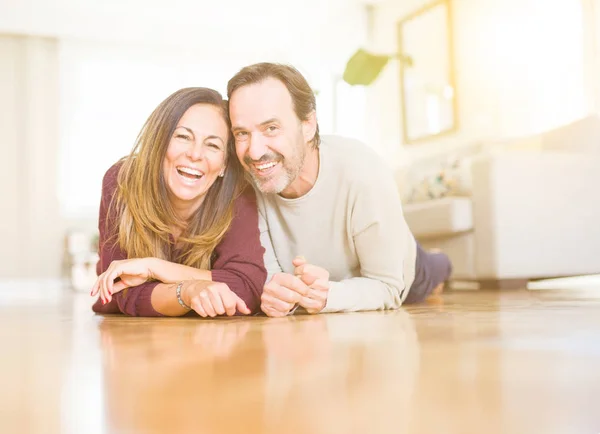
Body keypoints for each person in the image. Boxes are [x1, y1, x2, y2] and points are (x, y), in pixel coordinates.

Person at [226, 63, 452, 317]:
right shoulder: (246, 183)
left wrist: (329, 296)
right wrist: (278, 295)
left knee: (433, 271)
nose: (254, 152)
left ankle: (440, 261)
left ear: (308, 124)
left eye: (271, 128)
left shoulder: (363, 171)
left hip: (396, 269)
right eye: (242, 133)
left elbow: (388, 286)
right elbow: (271, 280)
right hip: (322, 286)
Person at [89, 87, 267, 317]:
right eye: (183, 137)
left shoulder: (237, 194)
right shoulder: (122, 182)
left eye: (212, 145)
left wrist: (152, 267)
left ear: (224, 164)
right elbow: (121, 290)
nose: (195, 154)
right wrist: (187, 292)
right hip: (130, 337)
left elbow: (246, 288)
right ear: (160, 143)